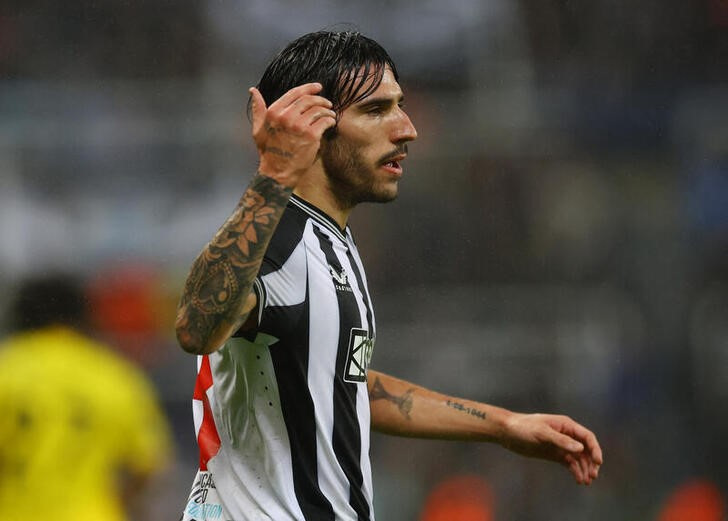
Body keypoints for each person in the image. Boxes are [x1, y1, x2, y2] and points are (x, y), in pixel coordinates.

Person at [176, 30, 603, 521]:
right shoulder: (277, 241)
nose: (407, 128)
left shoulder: (330, 240)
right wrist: (274, 171)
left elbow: (341, 383)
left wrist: (503, 425)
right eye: (377, 110)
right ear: (311, 126)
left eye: (399, 106)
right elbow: (195, 325)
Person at [0, 274, 172, 521]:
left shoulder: (6, 369)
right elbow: (150, 465)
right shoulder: (115, 375)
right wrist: (117, 503)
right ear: (82, 317)